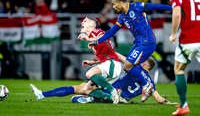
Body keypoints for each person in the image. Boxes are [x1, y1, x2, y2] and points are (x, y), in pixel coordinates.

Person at [88, 0, 172, 102]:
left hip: (147, 42)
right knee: (129, 66)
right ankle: (148, 87)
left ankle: (146, 85)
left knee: (127, 66)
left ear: (121, 2)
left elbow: (156, 6)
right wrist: (97, 42)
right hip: (138, 43)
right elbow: (111, 32)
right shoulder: (123, 17)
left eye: (114, 4)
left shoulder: (137, 6)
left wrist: (174, 8)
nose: (113, 7)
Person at [30, 53, 177, 105]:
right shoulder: (150, 83)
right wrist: (171, 103)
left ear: (144, 63)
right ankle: (91, 99)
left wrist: (109, 51)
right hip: (121, 99)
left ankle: (42, 95)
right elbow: (158, 99)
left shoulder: (136, 68)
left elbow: (121, 58)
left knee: (80, 88)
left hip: (112, 91)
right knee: (78, 94)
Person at [169, 0, 200, 115]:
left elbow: (176, 15)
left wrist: (174, 33)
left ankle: (183, 105)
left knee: (179, 69)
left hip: (187, 39)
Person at [78, 17, 122, 104]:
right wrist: (92, 62)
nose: (82, 23)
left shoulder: (96, 31)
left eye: (85, 21)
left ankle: (114, 91)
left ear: (92, 25)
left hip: (112, 63)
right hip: (107, 65)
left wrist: (88, 39)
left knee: (89, 73)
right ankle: (114, 98)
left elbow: (104, 36)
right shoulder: (93, 38)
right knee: (87, 90)